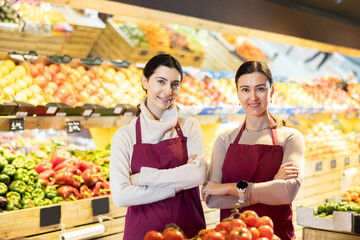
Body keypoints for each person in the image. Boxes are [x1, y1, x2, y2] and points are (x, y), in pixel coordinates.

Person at [201, 61, 305, 240]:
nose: (253, 97)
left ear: (271, 91)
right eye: (245, 89)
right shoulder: (224, 141)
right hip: (233, 234)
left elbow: (287, 192)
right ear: (238, 93)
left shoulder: (290, 138)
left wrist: (229, 188)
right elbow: (212, 198)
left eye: (260, 89)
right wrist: (271, 186)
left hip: (275, 234)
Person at [110, 54, 207, 240]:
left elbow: (198, 174)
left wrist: (142, 178)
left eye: (175, 84)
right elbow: (122, 196)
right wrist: (175, 188)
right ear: (145, 81)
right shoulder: (125, 136)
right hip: (142, 233)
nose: (168, 91)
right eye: (161, 81)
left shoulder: (189, 126)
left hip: (189, 231)